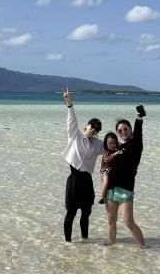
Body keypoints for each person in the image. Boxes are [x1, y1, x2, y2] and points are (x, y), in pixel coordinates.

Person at [60, 88, 103, 242]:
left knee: (86, 212)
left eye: (96, 130)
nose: (93, 131)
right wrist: (69, 102)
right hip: (74, 179)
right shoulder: (75, 135)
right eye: (92, 127)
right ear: (87, 126)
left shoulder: (98, 144)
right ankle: (68, 243)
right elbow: (72, 120)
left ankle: (85, 240)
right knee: (71, 213)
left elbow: (112, 146)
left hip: (86, 181)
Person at [104, 105, 147, 247]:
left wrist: (138, 118)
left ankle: (143, 247)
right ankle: (110, 245)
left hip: (125, 189)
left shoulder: (136, 145)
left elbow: (139, 132)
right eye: (120, 130)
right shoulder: (119, 147)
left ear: (130, 129)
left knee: (128, 222)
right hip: (111, 188)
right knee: (111, 220)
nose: (123, 132)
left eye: (125, 129)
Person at [97, 132, 122, 205]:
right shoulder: (106, 152)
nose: (112, 145)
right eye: (110, 143)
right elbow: (107, 160)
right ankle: (102, 197)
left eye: (114, 143)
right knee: (106, 182)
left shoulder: (116, 150)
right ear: (106, 144)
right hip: (105, 170)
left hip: (110, 171)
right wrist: (115, 154)